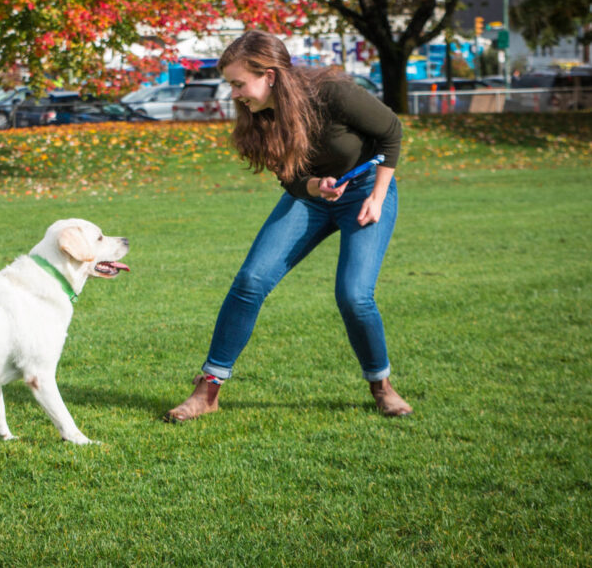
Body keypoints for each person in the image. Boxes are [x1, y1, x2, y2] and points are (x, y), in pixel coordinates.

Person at [165, 30, 413, 422]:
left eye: (238, 83)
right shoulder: (257, 118)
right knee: (250, 280)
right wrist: (314, 185)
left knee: (354, 295)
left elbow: (391, 133)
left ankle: (381, 386)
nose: (234, 94)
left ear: (270, 76)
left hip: (365, 191)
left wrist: (378, 196)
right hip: (312, 198)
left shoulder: (331, 93)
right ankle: (208, 389)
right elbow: (288, 178)